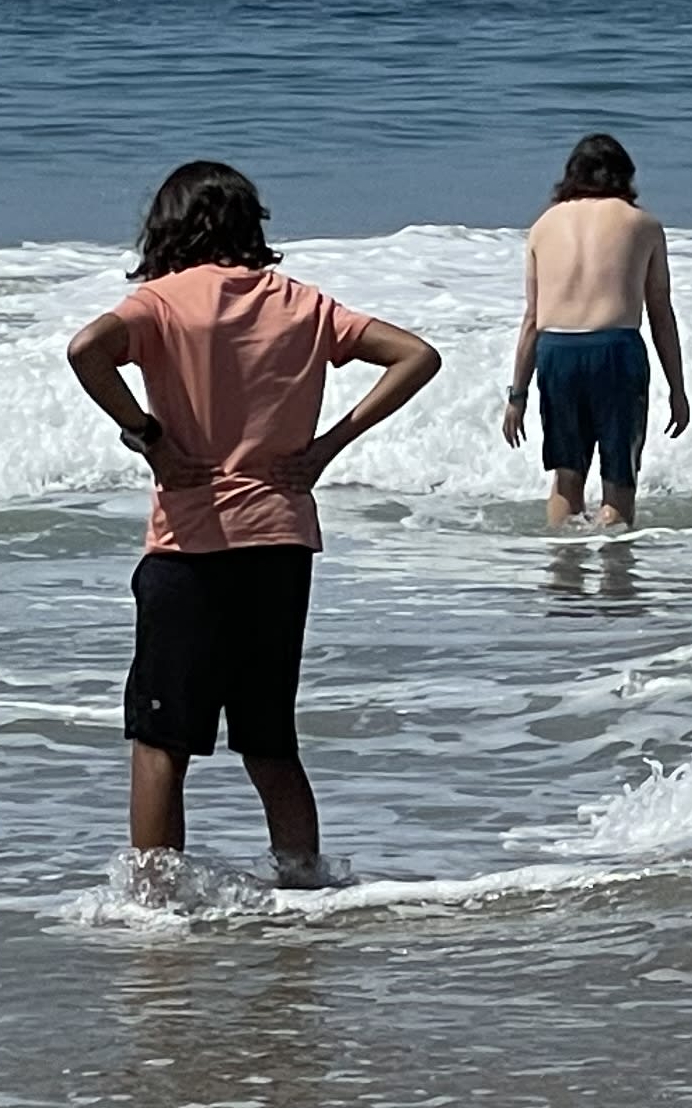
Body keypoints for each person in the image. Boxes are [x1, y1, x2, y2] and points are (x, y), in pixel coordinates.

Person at [65, 160, 440, 889]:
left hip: (191, 544)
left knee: (161, 740)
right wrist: (327, 447)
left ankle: (155, 898)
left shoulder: (162, 302)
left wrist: (149, 436)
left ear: (169, 226)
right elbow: (416, 355)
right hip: (280, 541)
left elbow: (86, 350)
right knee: (269, 739)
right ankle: (303, 883)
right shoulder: (301, 303)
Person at [501, 132, 690, 527]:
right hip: (615, 349)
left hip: (556, 351)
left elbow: (532, 318)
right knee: (619, 481)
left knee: (566, 478)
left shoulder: (543, 226)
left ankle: (562, 562)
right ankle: (614, 563)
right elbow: (660, 312)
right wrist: (677, 389)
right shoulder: (643, 224)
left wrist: (517, 396)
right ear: (625, 176)